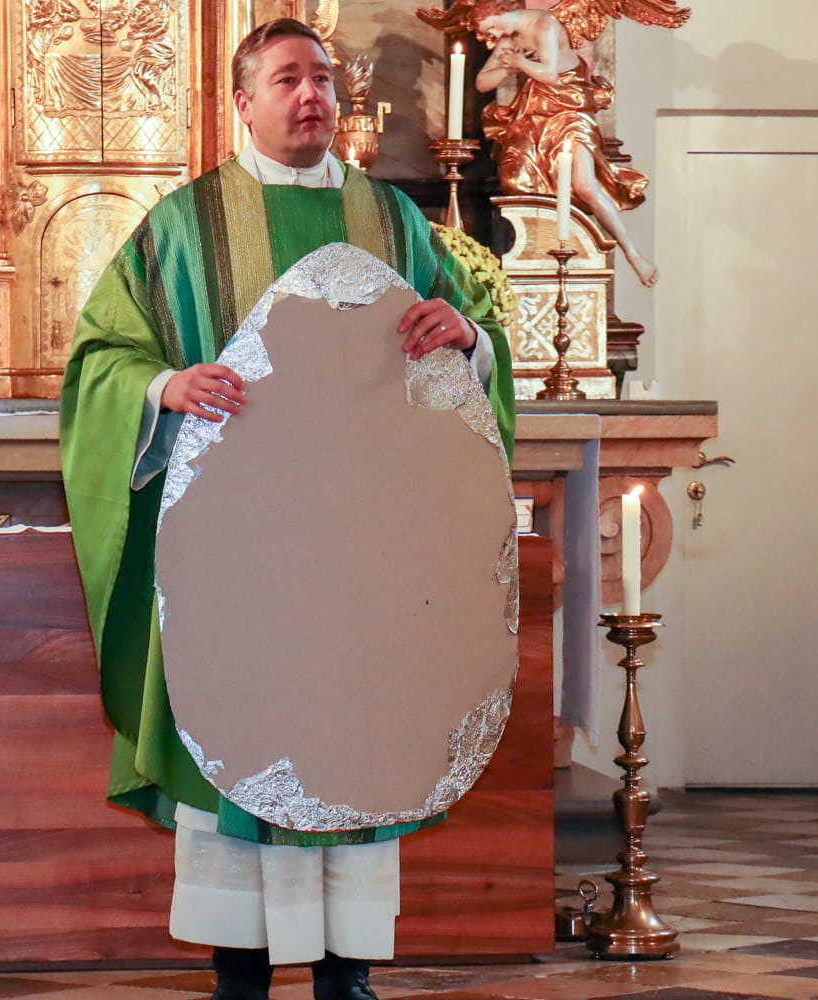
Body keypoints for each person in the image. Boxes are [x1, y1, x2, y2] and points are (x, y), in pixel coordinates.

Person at [61, 18, 515, 1000]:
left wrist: (467, 338)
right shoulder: (183, 227)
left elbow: (461, 349)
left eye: (322, 78)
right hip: (238, 562)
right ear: (243, 102)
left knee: (363, 733)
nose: (311, 95)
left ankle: (349, 975)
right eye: (285, 79)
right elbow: (101, 357)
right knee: (246, 736)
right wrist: (165, 386)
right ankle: (241, 976)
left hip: (366, 559)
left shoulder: (392, 221)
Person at [474, 2, 658, 286]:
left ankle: (633, 254)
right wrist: (508, 67)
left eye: (488, 30)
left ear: (498, 14)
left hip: (570, 109)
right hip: (535, 112)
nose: (487, 39)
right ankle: (537, 252)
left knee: (585, 186)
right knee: (515, 181)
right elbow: (482, 83)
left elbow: (550, 75)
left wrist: (518, 62)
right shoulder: (509, 39)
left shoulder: (544, 24)